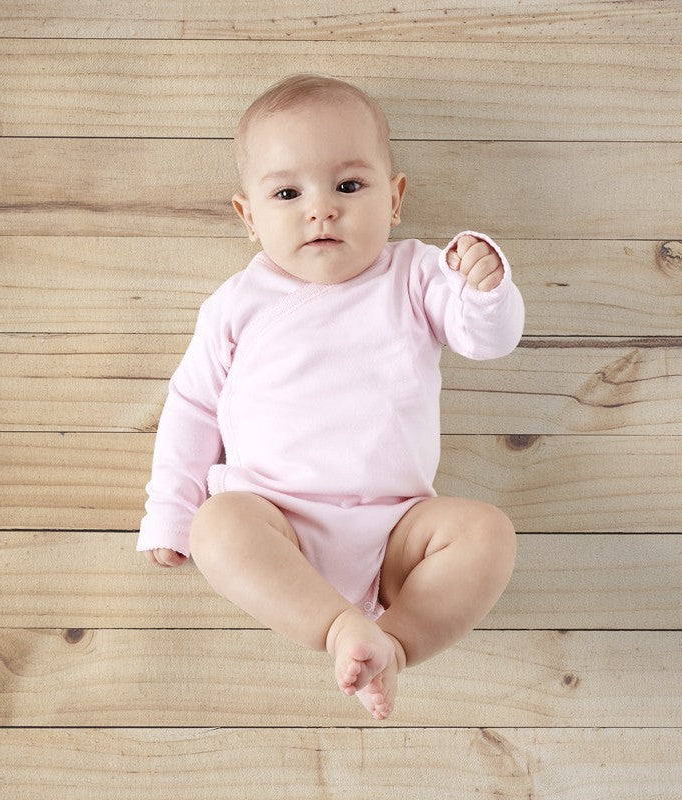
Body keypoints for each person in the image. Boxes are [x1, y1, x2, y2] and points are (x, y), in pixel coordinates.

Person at [137, 73, 525, 721]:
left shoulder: (415, 273)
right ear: (249, 217)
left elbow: (487, 340)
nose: (321, 209)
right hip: (276, 520)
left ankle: (392, 643)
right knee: (218, 525)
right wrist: (170, 511)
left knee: (487, 533)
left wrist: (483, 291)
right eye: (288, 193)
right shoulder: (237, 305)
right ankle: (337, 628)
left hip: (397, 527)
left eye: (349, 186)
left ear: (395, 198)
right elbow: (193, 408)